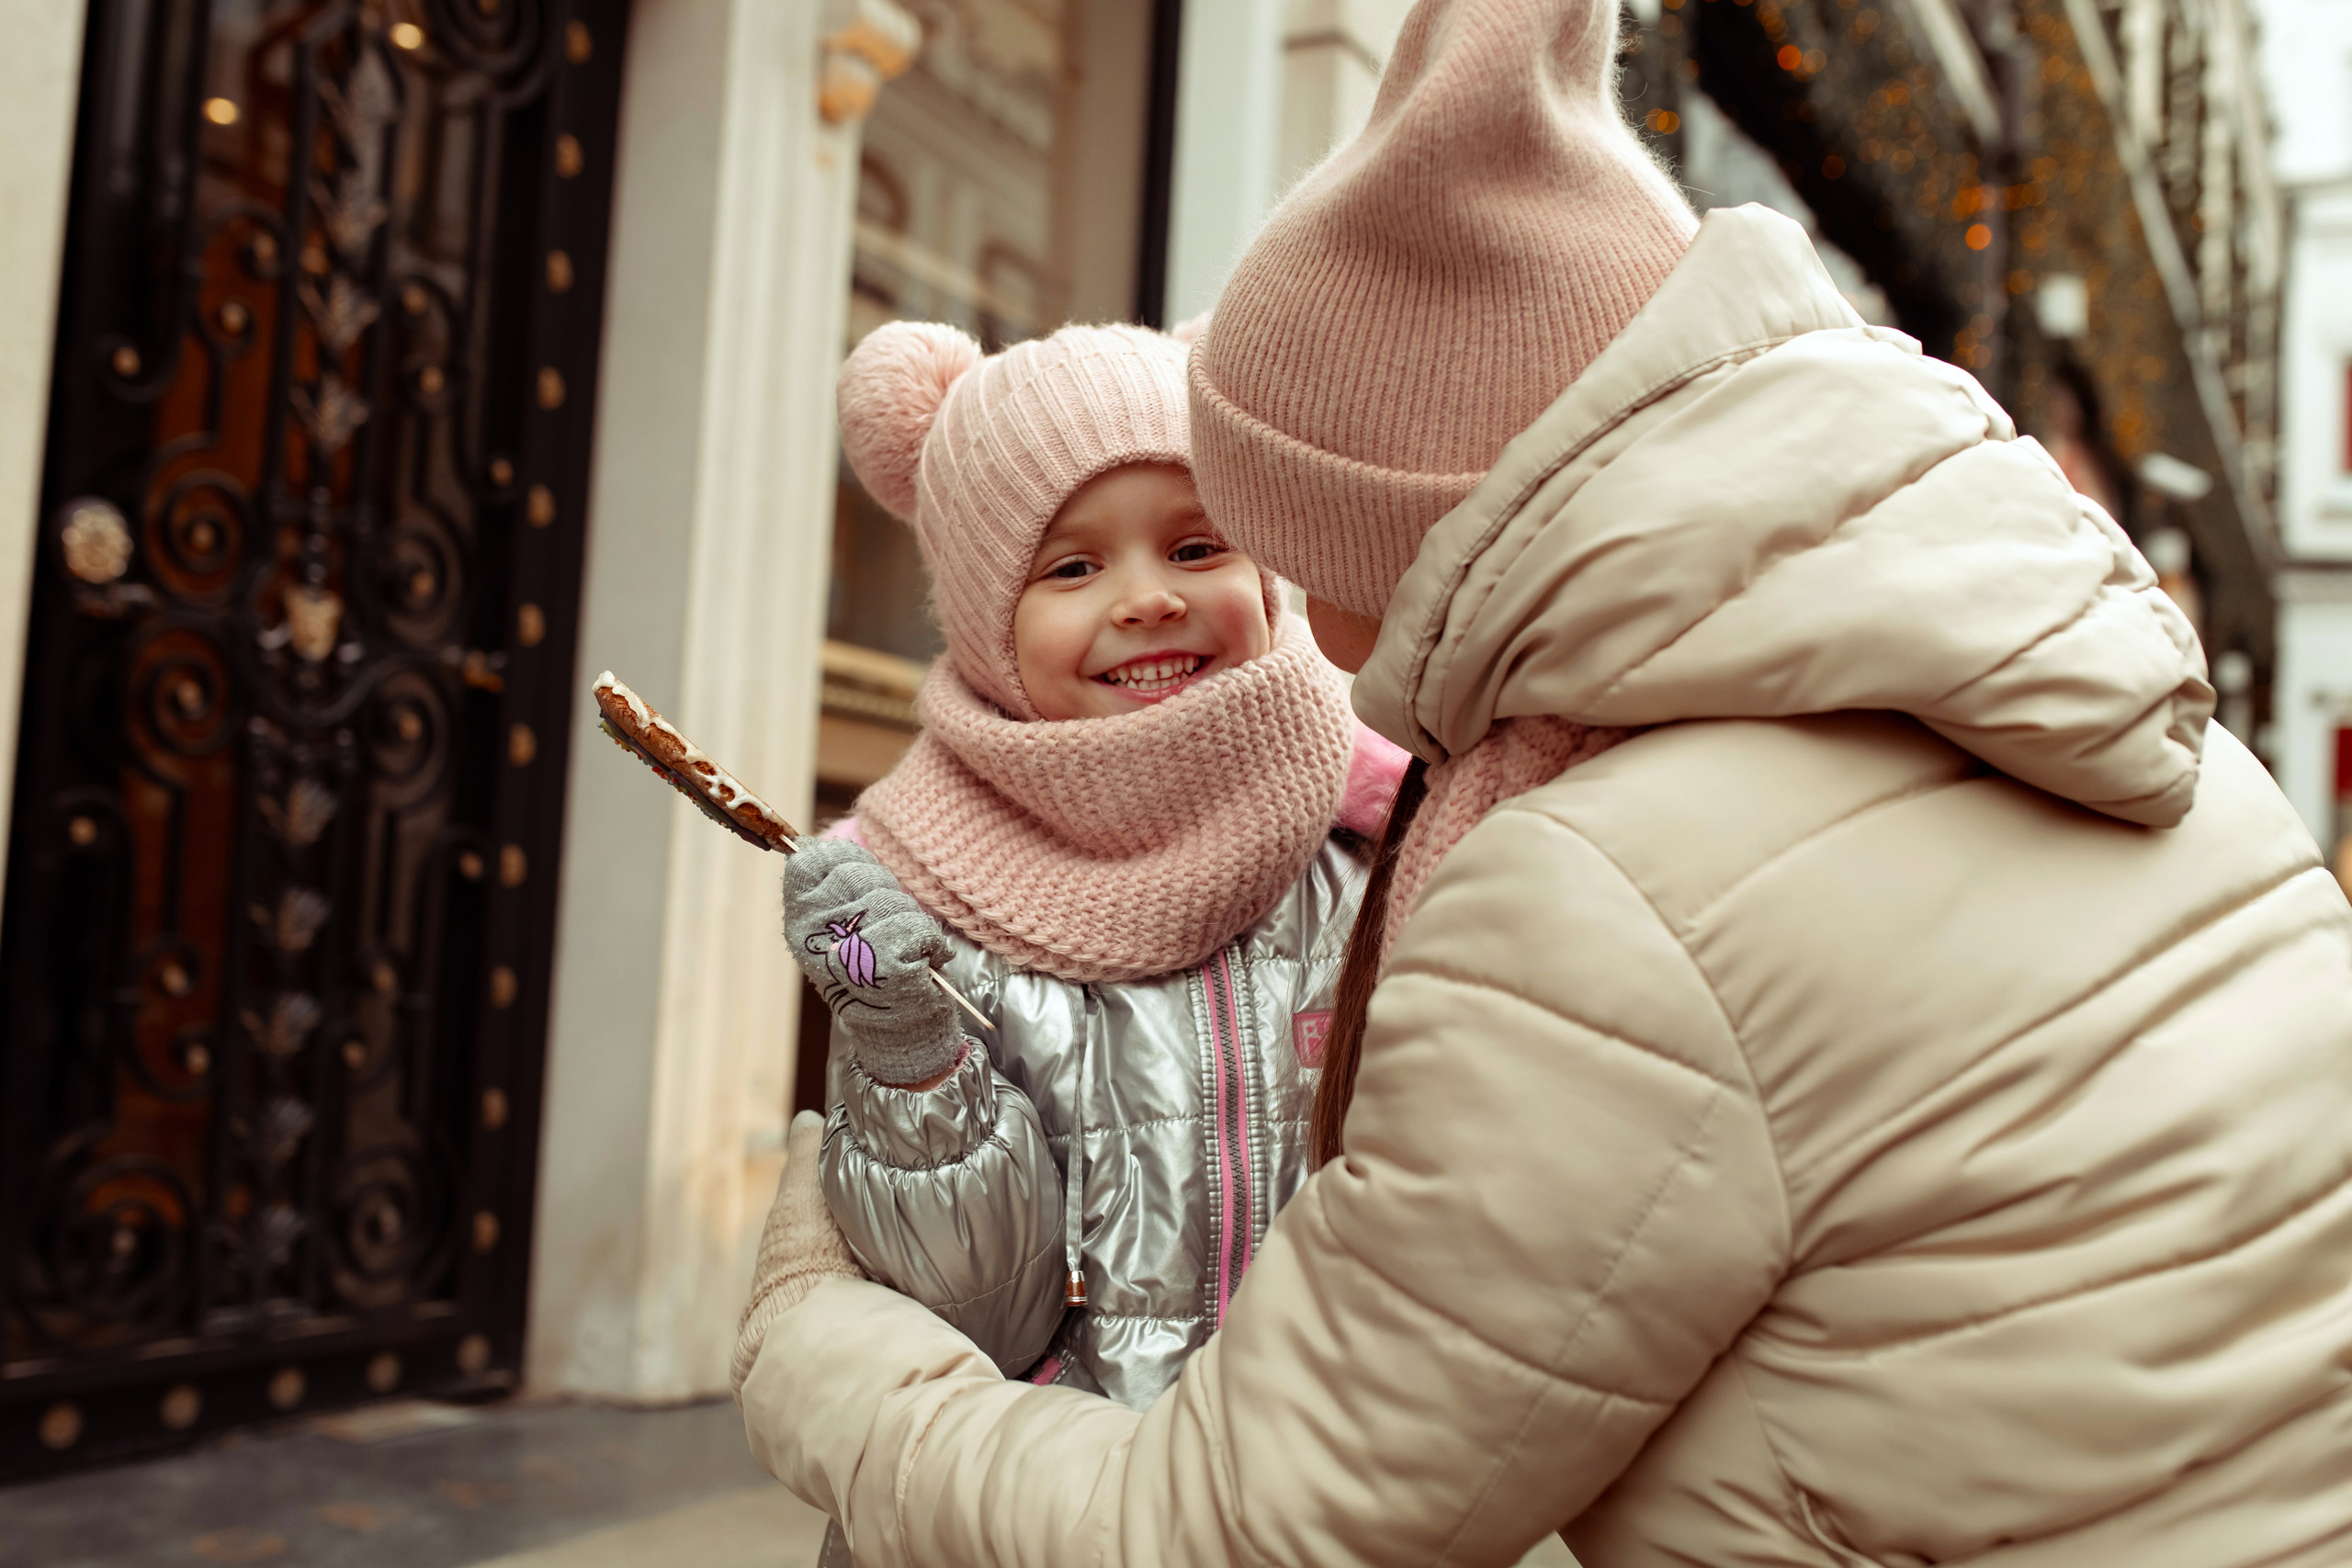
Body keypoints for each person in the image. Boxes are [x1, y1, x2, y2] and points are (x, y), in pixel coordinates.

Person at [734, 0, 2352, 1562]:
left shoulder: (1597, 891)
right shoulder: (2124, 716)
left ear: (1413, 530)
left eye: (1281, 543)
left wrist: (821, 1349)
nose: (1314, 635)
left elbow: (1243, 1524)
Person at [741, 317, 1407, 1563]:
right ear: (989, 627)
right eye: (1069, 568)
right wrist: (908, 1054)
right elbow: (968, 1315)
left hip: (1321, 1514)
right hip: (1017, 1522)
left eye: (1197, 543)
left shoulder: (1381, 849)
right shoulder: (928, 892)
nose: (1147, 596)